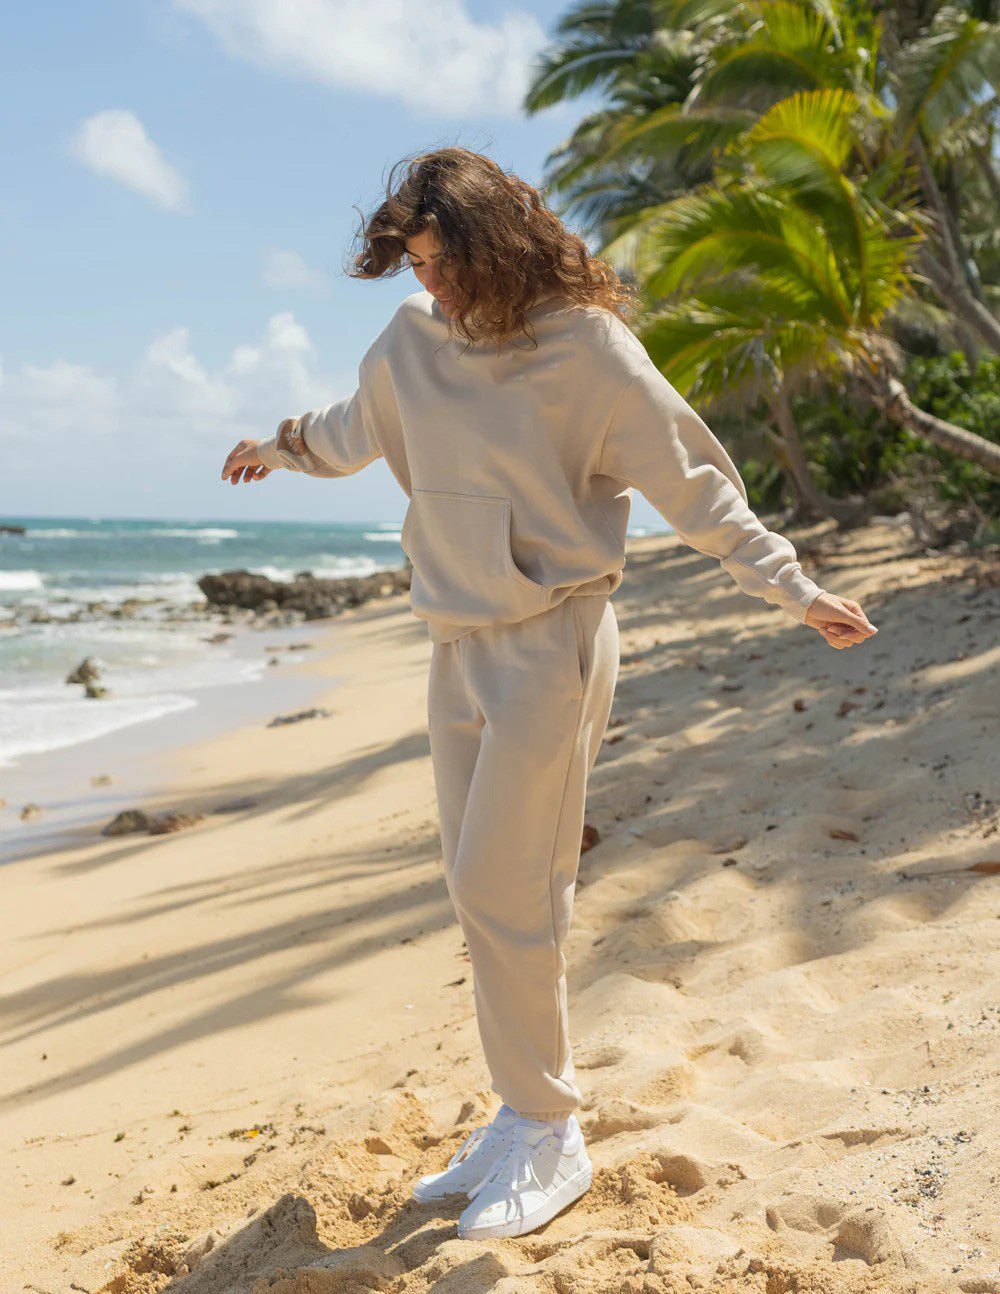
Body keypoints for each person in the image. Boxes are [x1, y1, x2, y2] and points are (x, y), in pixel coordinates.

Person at [220, 147, 878, 1241]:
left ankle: (548, 1128)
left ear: (499, 242)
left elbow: (693, 479)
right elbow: (348, 430)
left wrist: (791, 586)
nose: (430, 284)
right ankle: (523, 1109)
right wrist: (275, 449)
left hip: (551, 644)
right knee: (492, 894)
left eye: (444, 261)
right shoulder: (410, 341)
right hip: (454, 644)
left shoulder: (588, 350)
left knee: (504, 885)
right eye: (415, 265)